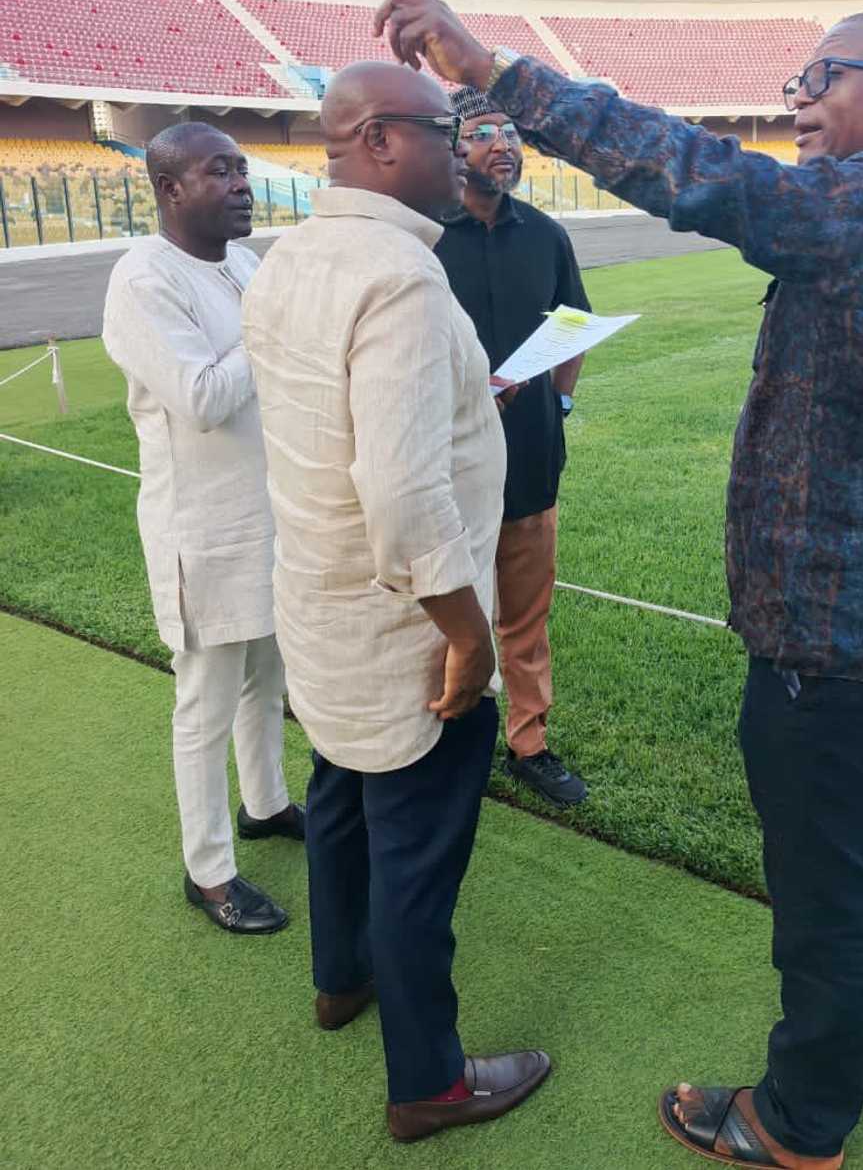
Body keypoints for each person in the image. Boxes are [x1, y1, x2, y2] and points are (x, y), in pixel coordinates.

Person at [373, 0, 863, 1170]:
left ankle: (799, 1117)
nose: (801, 101)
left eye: (825, 79)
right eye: (798, 80)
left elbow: (701, 175)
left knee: (821, 876)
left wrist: (495, 72)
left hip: (829, 620)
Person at [241, 61, 550, 1143]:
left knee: (336, 798)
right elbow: (404, 486)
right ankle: (428, 1079)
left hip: (320, 606)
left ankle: (339, 978)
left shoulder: (288, 255)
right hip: (405, 626)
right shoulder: (402, 279)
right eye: (445, 129)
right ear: (378, 138)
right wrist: (468, 638)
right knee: (414, 857)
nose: (464, 148)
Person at [102, 122, 302, 938]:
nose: (242, 184)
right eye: (220, 171)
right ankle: (209, 870)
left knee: (269, 680)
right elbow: (204, 398)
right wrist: (271, 328)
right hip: (205, 531)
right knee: (206, 701)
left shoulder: (246, 266)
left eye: (244, 169)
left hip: (270, 518)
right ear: (170, 187)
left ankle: (267, 805)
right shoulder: (144, 280)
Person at [435, 86, 590, 808]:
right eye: (483, 131)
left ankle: (528, 742)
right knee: (445, 608)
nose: (503, 143)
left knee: (526, 614)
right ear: (452, 147)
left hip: (531, 455)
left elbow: (574, 324)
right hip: (447, 461)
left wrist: (558, 402)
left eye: (510, 131)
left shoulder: (547, 235)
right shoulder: (425, 239)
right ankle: (442, 738)